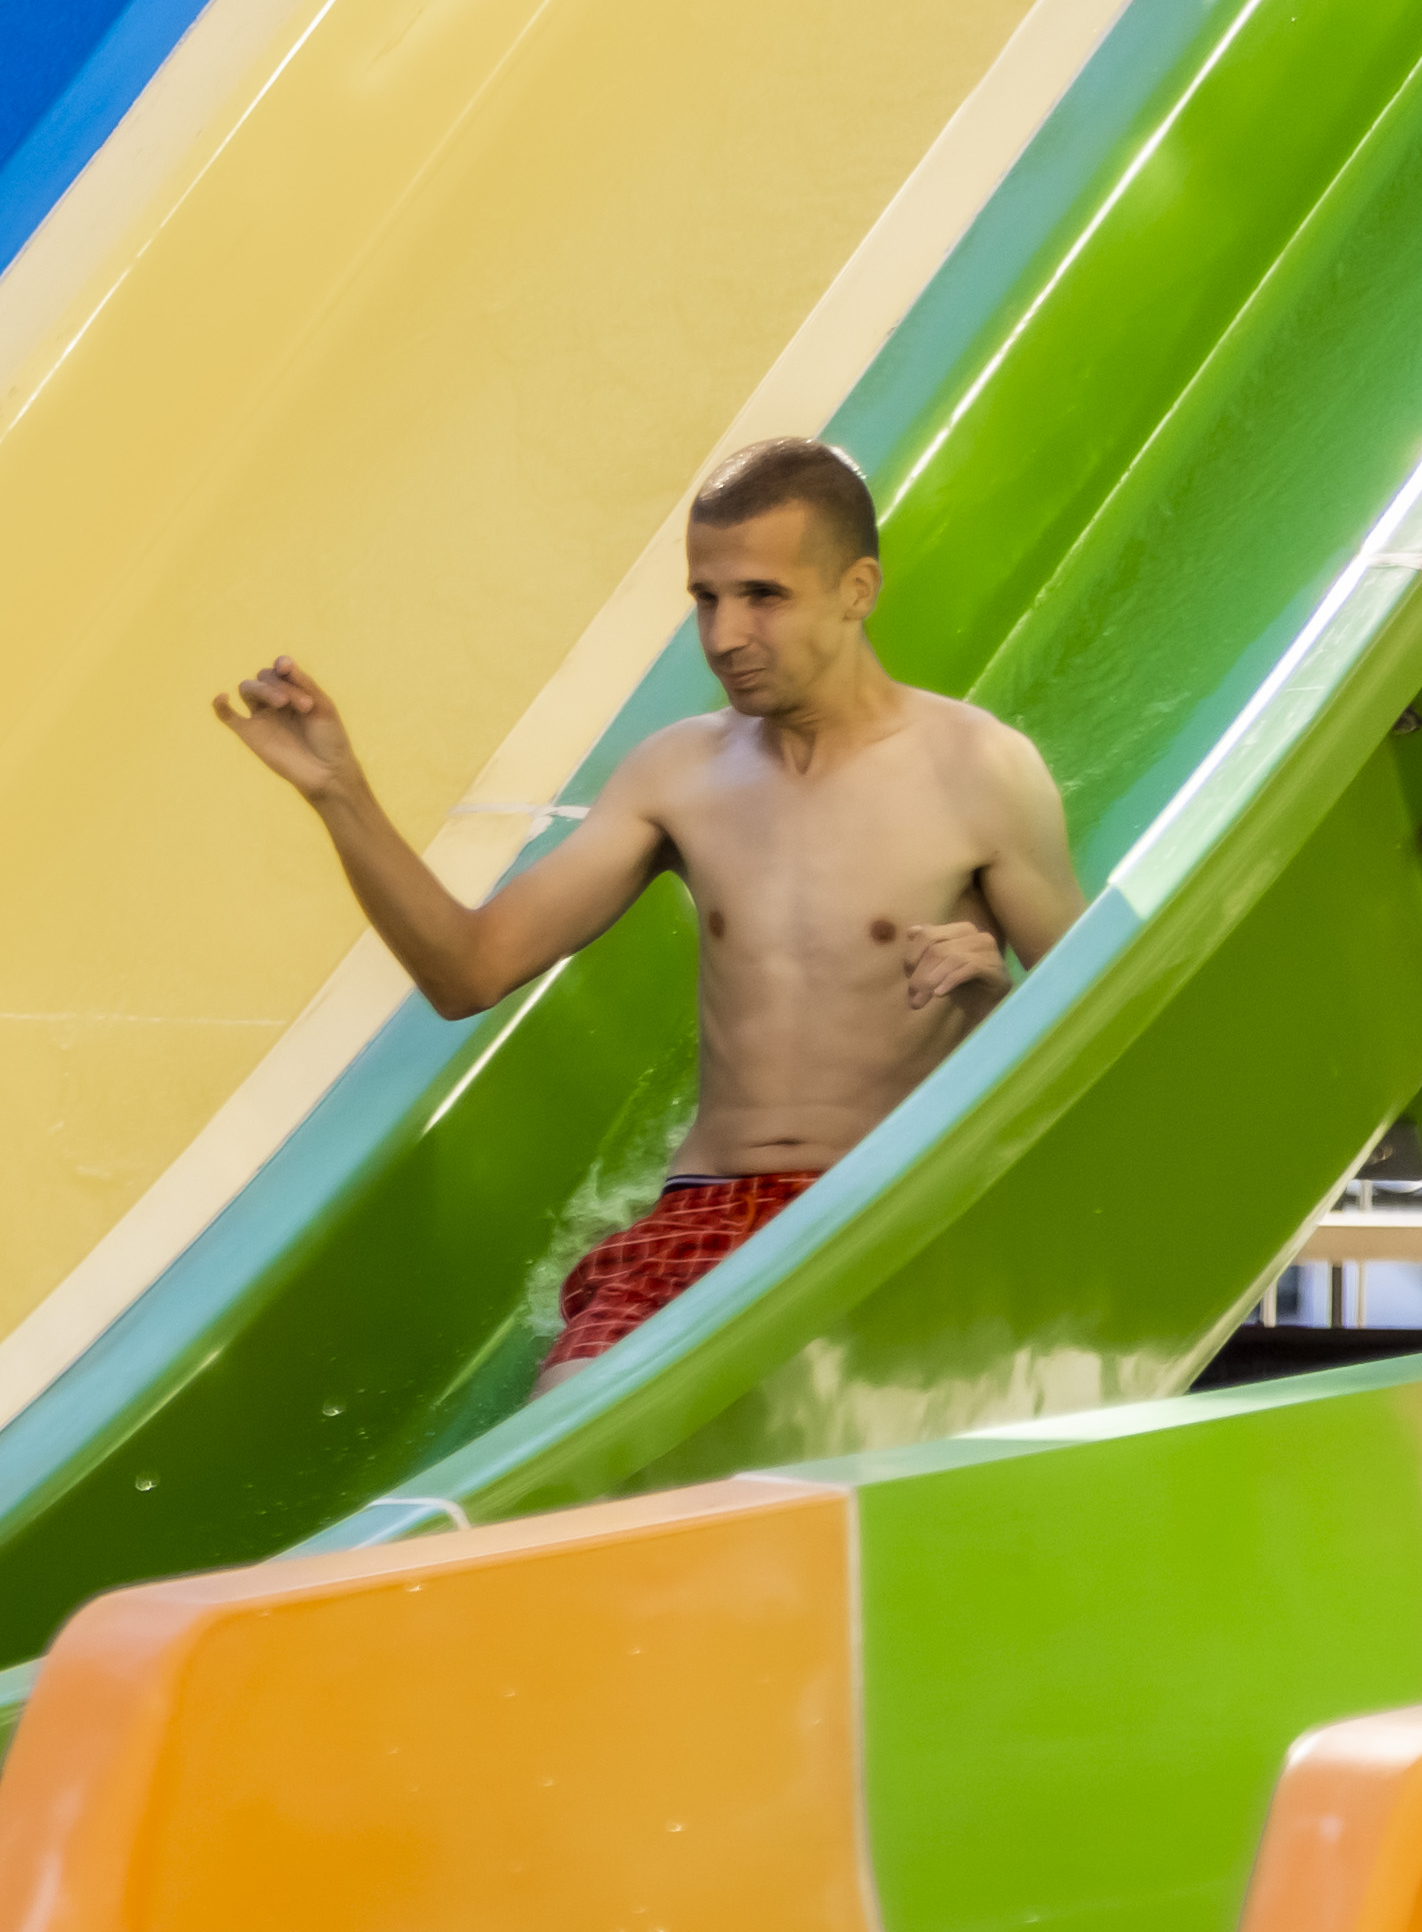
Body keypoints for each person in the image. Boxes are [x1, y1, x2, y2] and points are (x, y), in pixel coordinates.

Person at [213, 436, 1080, 1386]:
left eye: (762, 595)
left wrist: (1000, 998)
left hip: (889, 1188)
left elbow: (1106, 1020)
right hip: (704, 1209)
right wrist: (339, 794)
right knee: (567, 1409)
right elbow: (467, 970)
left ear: (856, 589)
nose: (724, 635)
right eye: (705, 598)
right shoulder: (676, 773)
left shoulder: (977, 769)